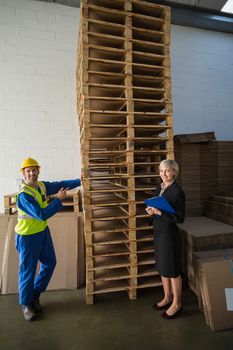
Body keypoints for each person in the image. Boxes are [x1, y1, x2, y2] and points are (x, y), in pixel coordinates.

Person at [15, 157, 81, 321]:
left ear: (38, 171)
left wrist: (80, 180)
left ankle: (35, 295)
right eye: (28, 171)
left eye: (34, 170)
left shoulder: (41, 186)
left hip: (42, 232)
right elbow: (41, 214)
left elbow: (60, 184)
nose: (32, 173)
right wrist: (58, 200)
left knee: (50, 263)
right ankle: (26, 305)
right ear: (24, 174)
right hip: (27, 237)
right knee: (27, 272)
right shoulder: (24, 195)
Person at [146, 159, 185, 319]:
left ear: (174, 172)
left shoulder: (178, 191)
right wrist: (151, 210)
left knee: (173, 270)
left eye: (167, 171)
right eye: (161, 171)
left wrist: (160, 213)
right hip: (159, 232)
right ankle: (167, 297)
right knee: (163, 267)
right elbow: (158, 205)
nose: (164, 174)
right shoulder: (160, 187)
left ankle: (177, 303)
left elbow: (180, 218)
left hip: (169, 235)